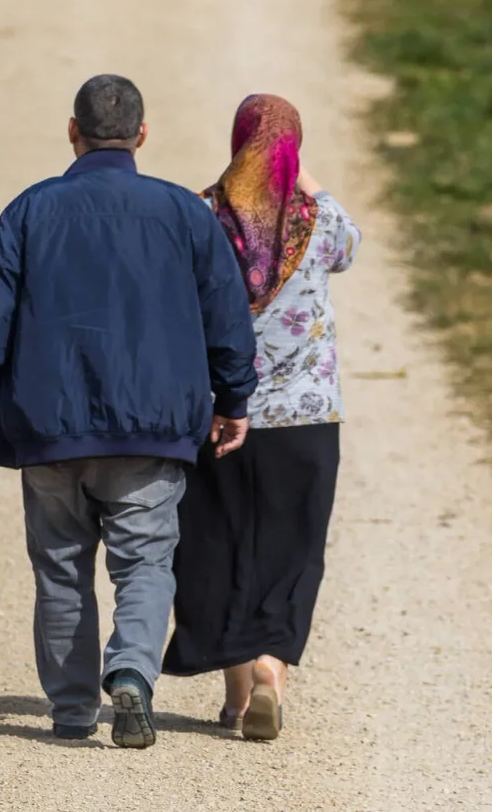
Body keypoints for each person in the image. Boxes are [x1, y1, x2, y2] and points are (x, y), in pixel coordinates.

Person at [0, 75, 257, 748]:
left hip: (50, 425)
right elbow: (228, 320)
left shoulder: (31, 211)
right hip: (152, 429)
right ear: (142, 135)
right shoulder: (183, 215)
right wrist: (234, 400)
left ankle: (70, 708)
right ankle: (132, 677)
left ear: (72, 131)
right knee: (145, 563)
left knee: (61, 566)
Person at [162, 95, 362, 741]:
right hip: (306, 420)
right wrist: (301, 170)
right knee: (291, 548)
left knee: (215, 544)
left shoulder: (199, 216)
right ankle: (273, 664)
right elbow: (351, 244)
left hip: (218, 413)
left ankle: (237, 691)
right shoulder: (320, 221)